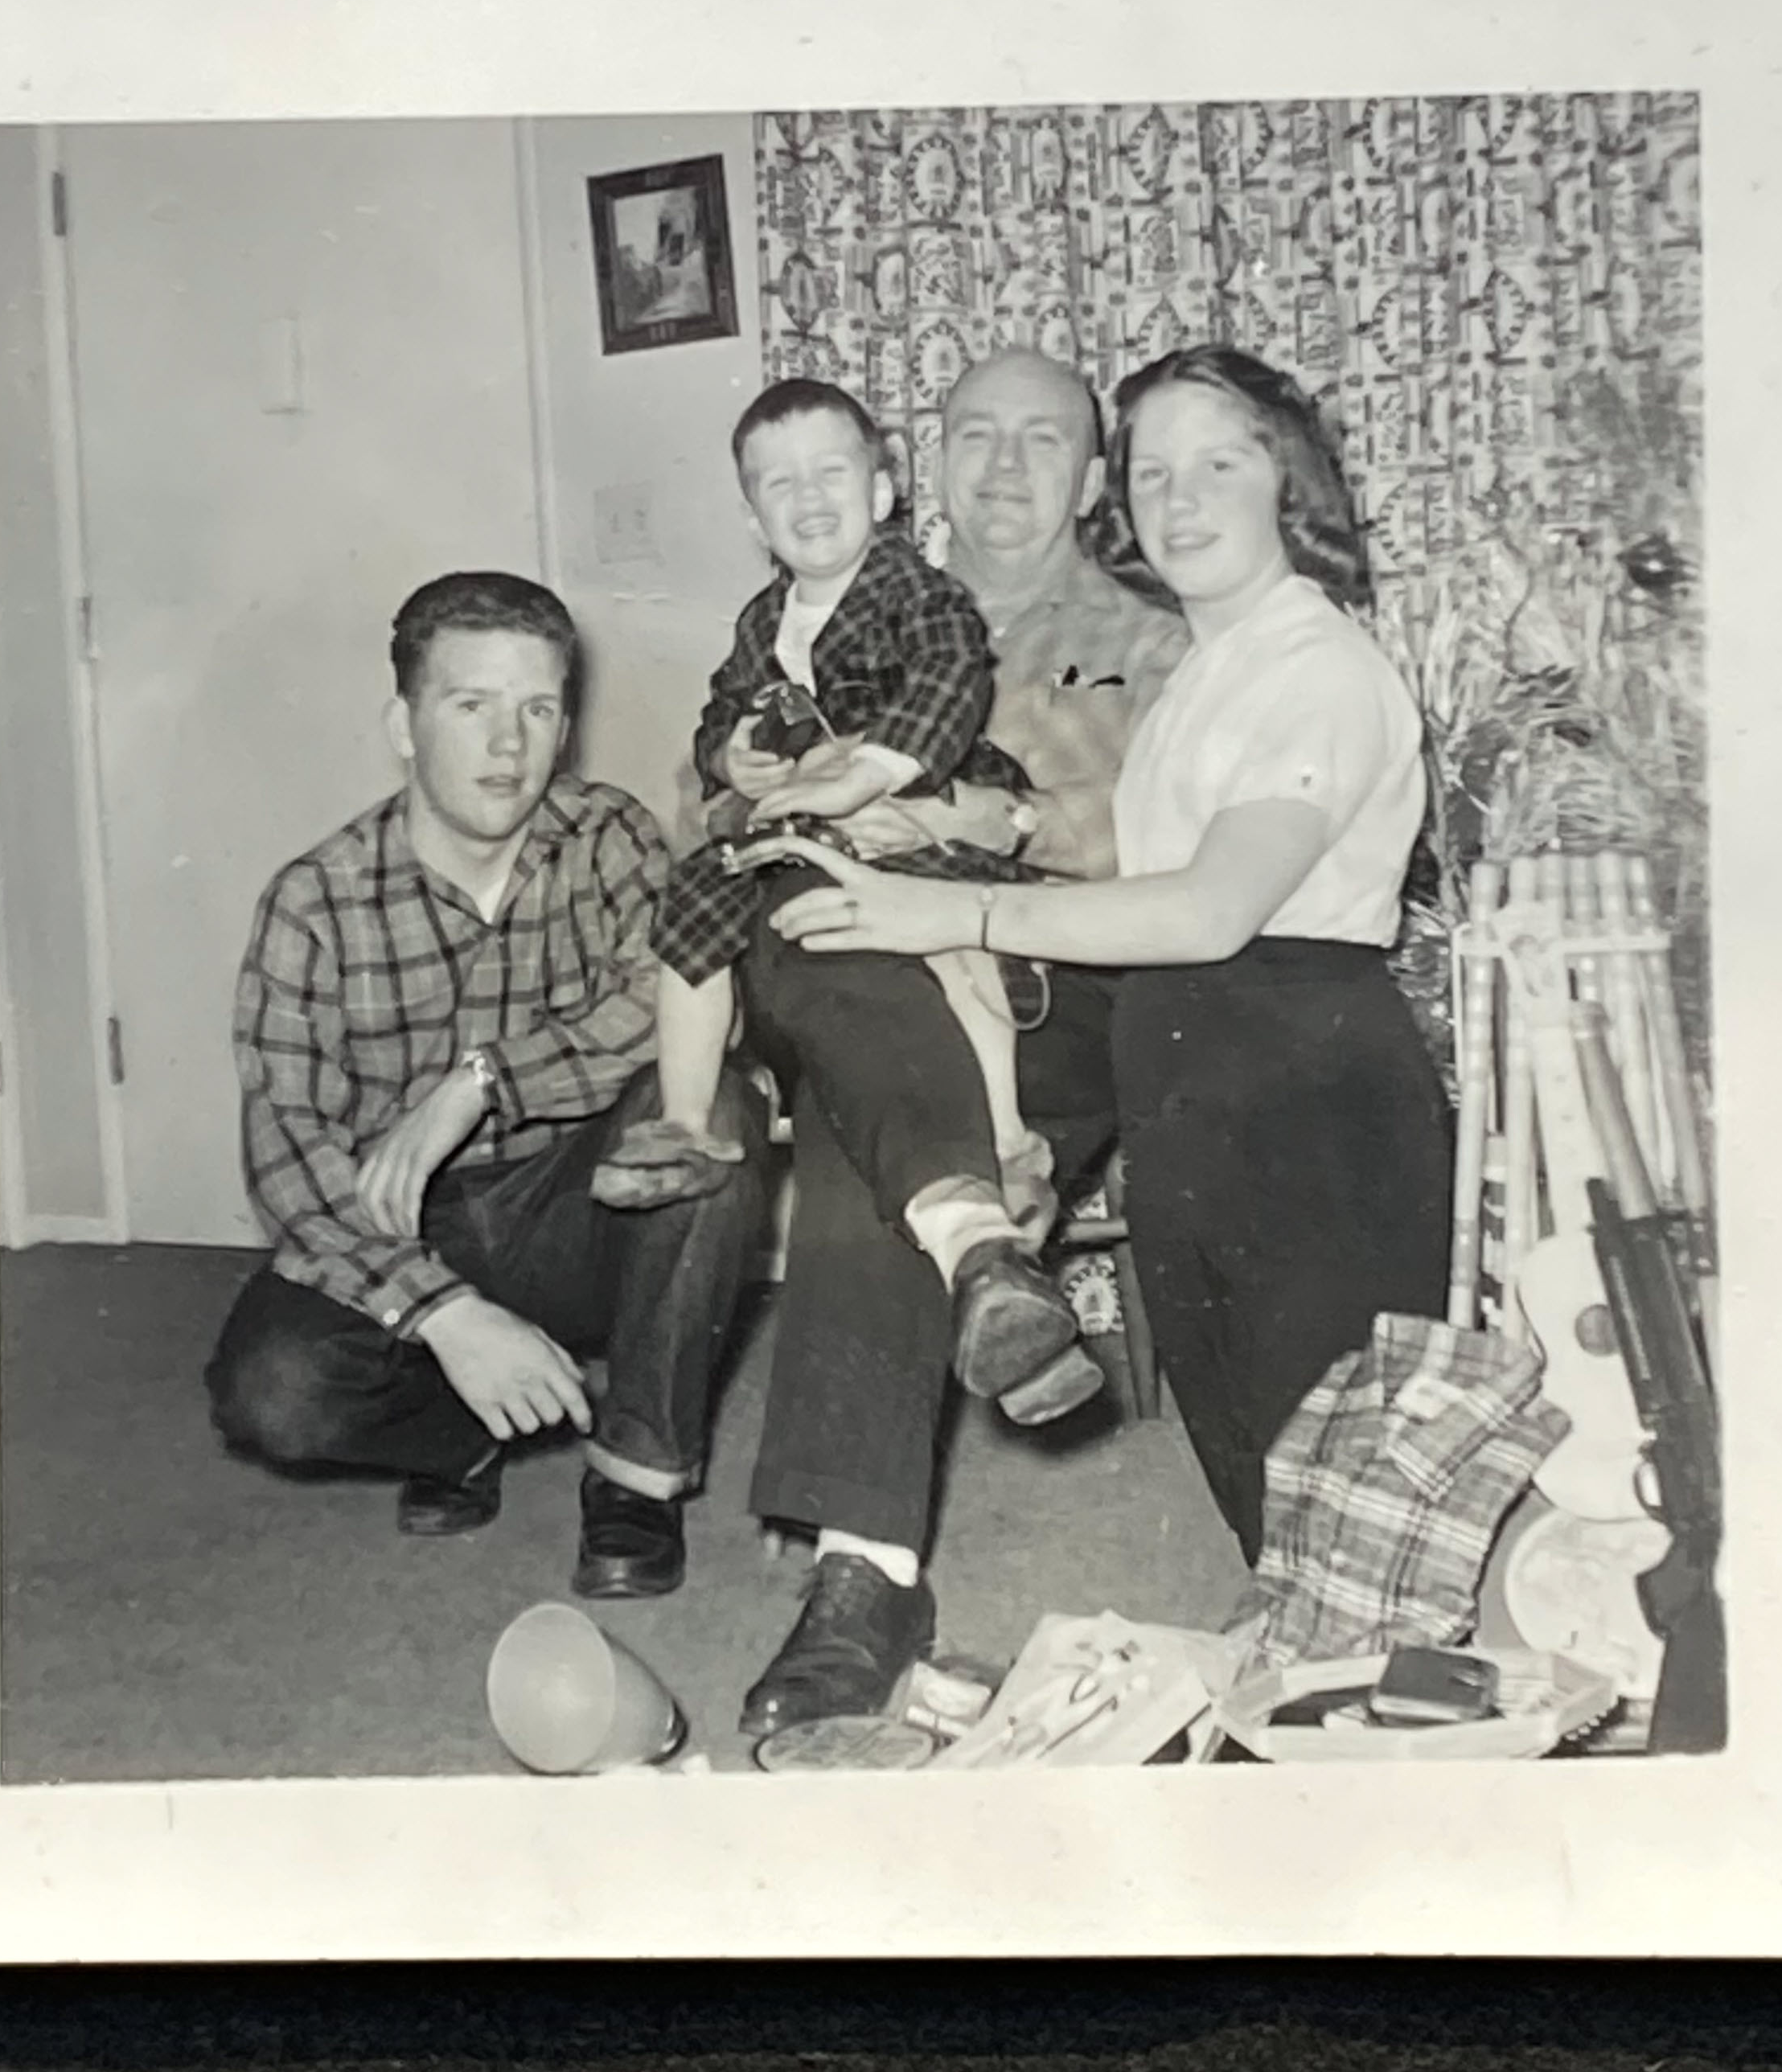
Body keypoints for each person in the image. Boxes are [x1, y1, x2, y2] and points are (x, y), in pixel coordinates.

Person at [751, 341, 1453, 1580]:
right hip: (1187, 1069)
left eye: (1219, 466)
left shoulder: (1319, 668)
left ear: (1288, 482)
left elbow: (1206, 910)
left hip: (1299, 1081)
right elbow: (1104, 842)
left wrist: (952, 913)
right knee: (1257, 1469)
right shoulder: (1212, 668)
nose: (1179, 500)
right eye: (1157, 473)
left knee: (1342, 1476)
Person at [732, 348, 1191, 1737]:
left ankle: (860, 1572)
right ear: (925, 463)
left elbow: (1172, 849)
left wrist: (974, 832)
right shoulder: (842, 609)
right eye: (973, 436)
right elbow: (723, 788)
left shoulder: (1149, 640)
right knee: (849, 990)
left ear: (1091, 477)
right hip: (853, 964)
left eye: (1039, 441)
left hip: (1053, 978)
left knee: (869, 1122)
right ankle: (979, 1240)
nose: (1000, 467)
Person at [204, 572, 768, 1601]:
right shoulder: (313, 902)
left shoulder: (610, 835)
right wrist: (448, 1314)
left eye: (539, 709)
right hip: (410, 1227)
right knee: (272, 1395)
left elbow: (663, 994)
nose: (510, 747)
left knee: (710, 1111)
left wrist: (482, 1081)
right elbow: (290, 1164)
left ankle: (636, 1475)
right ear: (404, 725)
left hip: (576, 1203)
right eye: (472, 706)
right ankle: (460, 1433)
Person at [590, 375, 1099, 1431]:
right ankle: (685, 1121)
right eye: (779, 484)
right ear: (750, 515)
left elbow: (947, 690)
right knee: (690, 914)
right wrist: (727, 751)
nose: (808, 498)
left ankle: (1004, 1144)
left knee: (953, 956)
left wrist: (865, 775)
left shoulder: (917, 595)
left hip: (907, 804)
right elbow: (722, 716)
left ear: (883, 489)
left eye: (832, 473)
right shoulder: (761, 616)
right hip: (796, 830)